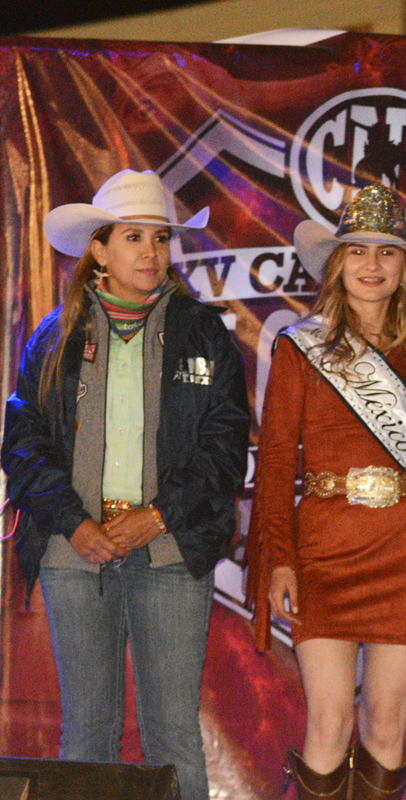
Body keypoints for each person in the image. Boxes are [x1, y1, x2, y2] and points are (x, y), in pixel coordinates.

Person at [2, 169, 250, 800]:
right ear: (99, 249)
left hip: (170, 548)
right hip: (74, 552)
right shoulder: (53, 336)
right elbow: (22, 445)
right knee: (88, 731)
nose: (151, 252)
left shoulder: (203, 332)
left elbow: (226, 448)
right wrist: (74, 523)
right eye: (133, 237)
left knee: (174, 733)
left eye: (160, 238)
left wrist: (159, 515)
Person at [245, 183, 406, 800]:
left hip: (405, 548)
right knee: (330, 724)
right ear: (336, 264)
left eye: (387, 252)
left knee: (386, 724)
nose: (371, 264)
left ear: (405, 268)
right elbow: (275, 463)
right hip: (325, 548)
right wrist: (280, 559)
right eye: (357, 250)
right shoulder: (299, 347)